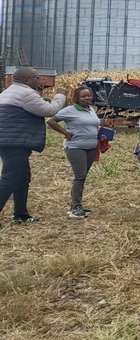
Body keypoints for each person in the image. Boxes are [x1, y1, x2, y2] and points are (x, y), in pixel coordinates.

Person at [0, 67, 69, 223]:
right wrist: (60, 95)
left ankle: (21, 215)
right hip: (15, 143)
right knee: (9, 179)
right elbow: (49, 110)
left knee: (22, 177)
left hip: (10, 141)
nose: (39, 80)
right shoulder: (25, 93)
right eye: (36, 78)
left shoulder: (9, 91)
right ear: (26, 80)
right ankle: (20, 214)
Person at [51, 84, 102, 218]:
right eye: (83, 96)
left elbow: (94, 126)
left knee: (83, 176)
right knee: (80, 176)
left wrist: (100, 134)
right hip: (76, 147)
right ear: (77, 98)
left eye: (89, 95)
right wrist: (65, 132)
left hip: (91, 147)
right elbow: (51, 121)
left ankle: (78, 204)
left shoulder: (91, 110)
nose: (87, 98)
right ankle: (75, 207)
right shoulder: (69, 110)